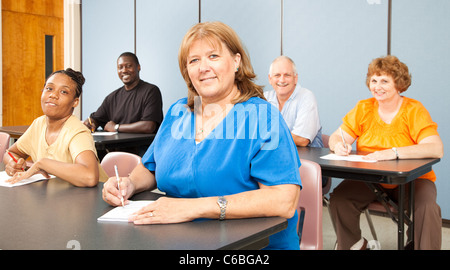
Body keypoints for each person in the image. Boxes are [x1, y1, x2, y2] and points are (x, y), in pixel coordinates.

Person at [102, 21, 302, 250]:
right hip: (179, 240)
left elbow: (284, 200)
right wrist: (128, 184)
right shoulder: (178, 112)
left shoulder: (262, 117)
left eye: (213, 56)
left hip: (251, 247)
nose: (203, 67)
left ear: (236, 61)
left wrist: (191, 208)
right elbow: (151, 167)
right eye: (194, 60)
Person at [328, 55, 444, 250]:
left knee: (427, 208)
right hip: (371, 178)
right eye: (374, 80)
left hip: (414, 180)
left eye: (384, 81)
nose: (377, 86)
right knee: (340, 198)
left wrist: (393, 152)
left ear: (398, 84)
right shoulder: (363, 108)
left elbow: (435, 148)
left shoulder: (414, 110)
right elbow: (336, 137)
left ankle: (417, 244)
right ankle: (356, 245)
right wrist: (339, 144)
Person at [4, 68, 108, 187]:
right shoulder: (39, 123)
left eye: (63, 92)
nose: (53, 95)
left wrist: (42, 163)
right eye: (49, 89)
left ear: (75, 102)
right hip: (57, 197)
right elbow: (11, 153)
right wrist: (13, 164)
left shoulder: (77, 131)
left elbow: (89, 177)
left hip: (95, 199)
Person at [83, 52, 163, 134]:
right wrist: (91, 123)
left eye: (128, 66)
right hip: (115, 146)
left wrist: (116, 127)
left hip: (141, 146)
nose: (124, 70)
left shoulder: (151, 91)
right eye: (120, 67)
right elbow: (96, 118)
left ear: (138, 67)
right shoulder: (112, 98)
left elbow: (148, 126)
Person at [265, 56, 323, 147]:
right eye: (277, 75)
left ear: (295, 78)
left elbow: (302, 139)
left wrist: (266, 137)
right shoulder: (264, 98)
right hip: (275, 157)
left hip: (304, 159)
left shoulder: (306, 97)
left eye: (287, 75)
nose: (282, 80)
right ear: (270, 79)